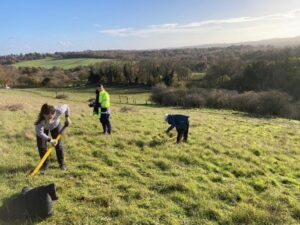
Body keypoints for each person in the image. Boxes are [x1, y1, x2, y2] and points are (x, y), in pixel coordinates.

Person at [34, 103, 71, 171]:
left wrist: (67, 117)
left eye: (50, 118)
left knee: (58, 145)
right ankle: (45, 164)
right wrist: (50, 140)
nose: (49, 121)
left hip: (55, 126)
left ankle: (62, 164)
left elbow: (66, 106)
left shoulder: (59, 110)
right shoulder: (40, 121)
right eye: (46, 118)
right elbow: (39, 132)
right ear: (43, 115)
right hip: (44, 128)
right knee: (41, 146)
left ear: (54, 113)